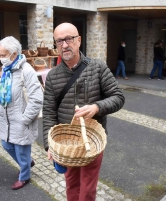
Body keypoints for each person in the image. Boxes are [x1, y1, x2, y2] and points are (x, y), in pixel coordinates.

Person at [43, 23, 125, 201]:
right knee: (71, 184)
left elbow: (118, 97)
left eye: (69, 39)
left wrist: (97, 107)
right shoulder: (52, 76)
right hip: (67, 143)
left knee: (88, 189)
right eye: (59, 41)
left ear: (78, 40)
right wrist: (49, 144)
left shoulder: (98, 67)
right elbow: (49, 112)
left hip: (92, 142)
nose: (64, 45)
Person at [0, 36, 43, 190]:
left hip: (21, 120)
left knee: (21, 151)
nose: (1, 58)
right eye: (0, 55)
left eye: (3, 55)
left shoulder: (26, 71)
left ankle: (25, 176)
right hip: (7, 120)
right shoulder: (7, 69)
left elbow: (37, 99)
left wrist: (25, 119)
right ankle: (28, 163)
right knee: (5, 144)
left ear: (14, 54)